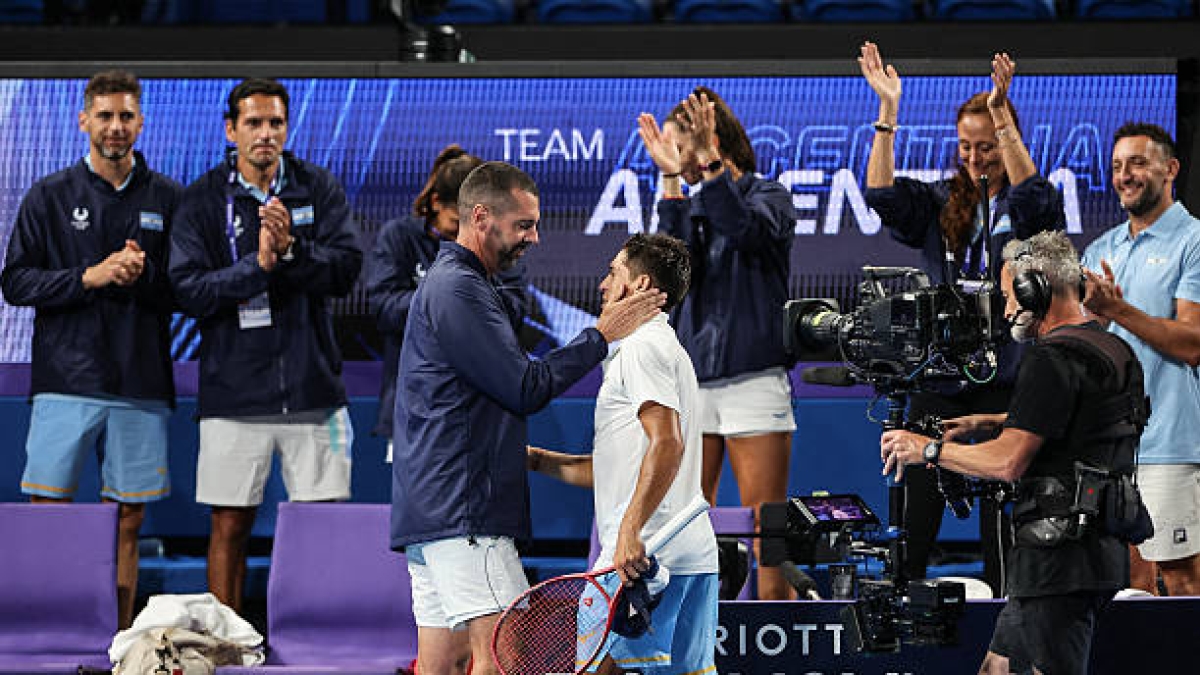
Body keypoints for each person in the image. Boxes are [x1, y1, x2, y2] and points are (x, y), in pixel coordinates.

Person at [390, 161, 666, 675]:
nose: (534, 238)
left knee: (440, 662)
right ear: (480, 217)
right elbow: (524, 387)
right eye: (523, 225)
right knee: (506, 656)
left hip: (435, 510)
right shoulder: (459, 288)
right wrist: (600, 335)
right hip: (466, 512)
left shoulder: (457, 283)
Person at [881, 231, 1145, 675]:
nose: (1004, 312)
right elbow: (1076, 420)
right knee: (996, 668)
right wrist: (989, 422)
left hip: (1056, 563)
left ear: (1034, 289)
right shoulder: (1112, 347)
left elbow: (1007, 462)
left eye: (1007, 296)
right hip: (1095, 553)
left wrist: (928, 449)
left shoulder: (1048, 359)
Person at [859, 42, 1066, 594]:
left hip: (1009, 385)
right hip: (941, 380)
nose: (977, 159)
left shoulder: (1023, 208)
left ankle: (1003, 630)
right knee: (916, 520)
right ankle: (906, 620)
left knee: (1003, 527)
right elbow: (879, 192)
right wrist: (888, 112)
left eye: (988, 147)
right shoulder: (941, 203)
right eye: (967, 147)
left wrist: (1002, 116)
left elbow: (1039, 201)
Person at [169, 78, 363, 614]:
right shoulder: (201, 199)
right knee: (230, 522)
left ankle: (319, 641)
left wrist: (292, 249)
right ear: (231, 129)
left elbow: (347, 272)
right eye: (253, 123)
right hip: (234, 392)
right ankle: (224, 643)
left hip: (312, 390)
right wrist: (256, 267)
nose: (266, 133)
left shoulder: (316, 188)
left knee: (322, 524)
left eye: (275, 122)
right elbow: (186, 288)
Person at [0, 69, 180, 629]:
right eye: (105, 115)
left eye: (126, 115)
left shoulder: (170, 198)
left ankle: (117, 638)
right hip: (64, 382)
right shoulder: (49, 195)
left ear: (141, 121)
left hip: (139, 383)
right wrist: (90, 276)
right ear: (83, 120)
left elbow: (189, 289)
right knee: (48, 514)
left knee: (128, 519)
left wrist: (143, 274)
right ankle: (46, 629)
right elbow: (15, 283)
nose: (116, 126)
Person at [530, 233, 719, 675]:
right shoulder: (666, 349)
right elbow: (626, 468)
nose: (602, 284)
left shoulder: (641, 348)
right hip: (689, 551)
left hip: (646, 555)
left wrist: (629, 531)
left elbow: (666, 443)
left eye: (613, 272)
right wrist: (537, 460)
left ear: (639, 285)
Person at [637, 85, 798, 600]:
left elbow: (745, 231)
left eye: (681, 147)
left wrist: (707, 171)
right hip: (694, 385)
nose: (677, 157)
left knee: (764, 524)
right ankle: (690, 633)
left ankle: (778, 625)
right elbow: (668, 273)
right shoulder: (690, 204)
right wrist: (670, 181)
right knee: (685, 518)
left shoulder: (767, 196)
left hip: (755, 381)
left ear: (713, 143)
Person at [1081, 122, 1200, 596]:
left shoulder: (1193, 240)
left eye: (1136, 162)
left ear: (1169, 169)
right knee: (1131, 584)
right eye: (1116, 166)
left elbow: (1193, 342)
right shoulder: (1101, 249)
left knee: (1181, 578)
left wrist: (1117, 310)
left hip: (1169, 444)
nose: (1124, 175)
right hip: (1110, 447)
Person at [366, 145, 482, 455]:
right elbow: (383, 308)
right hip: (412, 407)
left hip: (480, 409)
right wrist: (444, 297)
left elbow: (511, 311)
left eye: (475, 224)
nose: (465, 236)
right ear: (435, 203)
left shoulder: (496, 244)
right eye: (457, 223)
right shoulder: (398, 237)